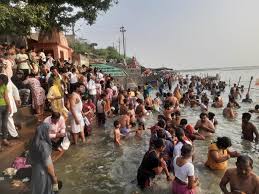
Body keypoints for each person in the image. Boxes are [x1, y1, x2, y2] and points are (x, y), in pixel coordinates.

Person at [29, 123, 59, 194]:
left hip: (35, 172)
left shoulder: (33, 141)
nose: (49, 133)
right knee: (45, 190)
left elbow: (29, 159)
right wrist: (54, 177)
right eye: (48, 131)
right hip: (43, 173)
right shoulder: (43, 145)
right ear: (44, 132)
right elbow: (48, 165)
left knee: (37, 190)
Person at [0, 74, 12, 146]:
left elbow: (6, 97)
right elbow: (6, 97)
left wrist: (9, 106)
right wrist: (9, 106)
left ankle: (4, 139)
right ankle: (4, 140)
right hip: (5, 106)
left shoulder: (4, 86)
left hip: (5, 107)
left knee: (4, 124)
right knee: (3, 124)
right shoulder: (4, 86)